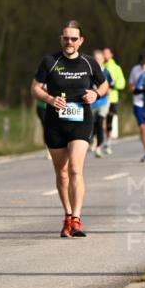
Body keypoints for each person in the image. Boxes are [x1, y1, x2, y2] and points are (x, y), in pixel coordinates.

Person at [31, 21, 109, 238]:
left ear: (81, 41)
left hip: (81, 121)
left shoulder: (89, 62)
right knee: (62, 172)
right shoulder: (50, 61)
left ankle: (76, 218)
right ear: (61, 39)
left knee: (75, 168)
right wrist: (49, 98)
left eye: (74, 39)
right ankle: (67, 215)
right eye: (66, 38)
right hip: (55, 123)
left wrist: (96, 94)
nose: (70, 42)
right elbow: (35, 88)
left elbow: (103, 85)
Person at [90, 49, 114, 158]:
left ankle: (99, 146)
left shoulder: (106, 72)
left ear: (103, 60)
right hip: (91, 103)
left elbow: (111, 85)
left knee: (100, 122)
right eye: (95, 59)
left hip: (103, 102)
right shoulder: (88, 71)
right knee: (92, 124)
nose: (97, 61)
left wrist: (108, 90)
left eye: (99, 59)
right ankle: (92, 141)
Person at [102, 47, 126, 154]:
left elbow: (122, 83)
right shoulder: (100, 67)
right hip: (101, 99)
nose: (105, 55)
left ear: (111, 54)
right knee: (100, 120)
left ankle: (108, 143)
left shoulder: (116, 68)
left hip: (112, 98)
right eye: (103, 53)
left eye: (107, 53)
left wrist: (114, 86)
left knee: (109, 122)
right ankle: (100, 141)